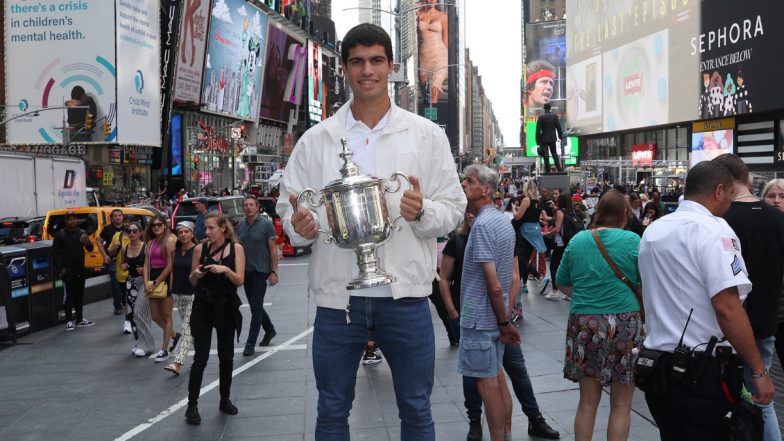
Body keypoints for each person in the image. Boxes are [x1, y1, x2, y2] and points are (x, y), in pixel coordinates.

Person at [276, 23, 466, 440]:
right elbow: (291, 210)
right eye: (358, 61)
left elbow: (453, 210)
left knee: (417, 411)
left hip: (406, 300)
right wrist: (299, 226)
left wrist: (422, 212)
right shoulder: (317, 140)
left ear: (391, 66)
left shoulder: (426, 135)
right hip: (337, 303)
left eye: (376, 60)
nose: (368, 70)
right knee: (330, 413)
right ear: (344, 68)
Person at [638, 161, 774, 440]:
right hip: (701, 372)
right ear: (719, 191)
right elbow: (727, 307)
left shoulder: (654, 230)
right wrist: (759, 370)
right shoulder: (714, 230)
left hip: (656, 368)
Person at [555, 189, 643, 441]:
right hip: (625, 322)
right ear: (625, 213)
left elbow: (561, 282)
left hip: (584, 322)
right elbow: (645, 285)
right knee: (621, 405)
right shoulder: (633, 241)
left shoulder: (578, 241)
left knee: (587, 402)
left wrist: (586, 298)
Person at [713, 154, 784, 441]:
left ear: (722, 183)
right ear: (749, 179)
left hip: (727, 324)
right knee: (761, 397)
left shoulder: (721, 220)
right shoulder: (777, 218)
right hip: (766, 322)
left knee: (722, 397)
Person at [458, 164, 520, 441]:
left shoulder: (483, 226)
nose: (463, 184)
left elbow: (494, 284)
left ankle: (497, 437)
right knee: (497, 379)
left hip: (481, 318)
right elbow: (510, 279)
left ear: (485, 189)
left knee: (488, 385)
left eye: (469, 181)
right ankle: (504, 434)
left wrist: (504, 322)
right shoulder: (501, 221)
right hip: (492, 316)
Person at [185, 213, 246, 425]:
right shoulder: (200, 249)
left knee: (226, 357)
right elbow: (192, 280)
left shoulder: (236, 248)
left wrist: (226, 269)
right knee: (200, 358)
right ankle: (192, 405)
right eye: (205, 228)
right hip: (202, 307)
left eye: (211, 228)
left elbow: (239, 280)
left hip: (226, 307)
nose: (207, 232)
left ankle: (224, 399)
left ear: (222, 228)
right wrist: (197, 275)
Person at [236, 195, 279, 356]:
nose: (248, 207)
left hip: (262, 271)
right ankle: (270, 330)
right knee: (256, 306)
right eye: (245, 205)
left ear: (257, 206)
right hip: (246, 271)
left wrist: (274, 271)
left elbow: (273, 250)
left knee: (255, 307)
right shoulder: (240, 226)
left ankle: (250, 342)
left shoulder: (266, 224)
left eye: (251, 205)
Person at [164, 221, 198, 376]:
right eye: (181, 232)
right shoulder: (175, 251)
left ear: (192, 233)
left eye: (187, 232)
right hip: (178, 293)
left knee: (186, 329)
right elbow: (172, 270)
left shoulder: (197, 250)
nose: (184, 235)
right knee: (192, 330)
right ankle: (200, 356)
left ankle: (177, 363)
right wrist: (171, 290)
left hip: (193, 294)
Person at [52, 211, 95, 331]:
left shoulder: (82, 232)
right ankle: (69, 321)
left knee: (79, 295)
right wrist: (61, 268)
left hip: (80, 268)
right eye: (69, 219)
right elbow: (54, 253)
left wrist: (87, 242)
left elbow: (90, 248)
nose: (72, 221)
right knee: (69, 296)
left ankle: (80, 319)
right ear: (66, 221)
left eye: (74, 219)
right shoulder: (60, 235)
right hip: (68, 270)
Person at [143, 215, 174, 362]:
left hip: (165, 278)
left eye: (159, 224)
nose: (156, 227)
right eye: (153, 225)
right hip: (152, 277)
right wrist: (146, 282)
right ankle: (174, 335)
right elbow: (146, 265)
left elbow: (170, 265)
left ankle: (164, 349)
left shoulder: (169, 241)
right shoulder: (149, 243)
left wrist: (155, 282)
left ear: (164, 225)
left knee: (167, 315)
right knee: (155, 316)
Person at [513, 180, 549, 294]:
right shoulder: (538, 201)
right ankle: (523, 284)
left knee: (521, 259)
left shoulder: (526, 200)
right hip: (535, 231)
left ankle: (537, 277)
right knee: (526, 258)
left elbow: (518, 217)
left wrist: (514, 208)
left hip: (525, 232)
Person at [763, 179, 784, 371]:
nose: (776, 200)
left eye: (782, 196)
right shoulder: (758, 229)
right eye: (771, 196)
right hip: (763, 315)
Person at [416, 0, 448, 104]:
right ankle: (424, 119)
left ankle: (433, 119)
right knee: (425, 94)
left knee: (434, 91)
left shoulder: (442, 16)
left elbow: (446, 42)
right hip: (423, 58)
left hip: (439, 57)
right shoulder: (417, 13)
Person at [544, 193, 573, 301]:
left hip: (560, 243)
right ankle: (568, 292)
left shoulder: (560, 212)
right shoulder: (571, 211)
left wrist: (548, 234)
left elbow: (557, 229)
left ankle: (555, 290)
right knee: (568, 267)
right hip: (569, 242)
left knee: (553, 266)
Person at [106, 216, 132, 334]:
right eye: (126, 222)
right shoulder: (118, 236)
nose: (127, 225)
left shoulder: (140, 236)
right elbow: (110, 252)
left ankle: (134, 320)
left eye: (130, 222)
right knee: (125, 298)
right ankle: (128, 321)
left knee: (134, 300)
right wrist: (115, 247)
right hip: (122, 274)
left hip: (137, 274)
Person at [97, 209, 125, 316]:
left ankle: (126, 303)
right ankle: (118, 305)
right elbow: (99, 241)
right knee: (115, 284)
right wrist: (105, 255)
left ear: (122, 217)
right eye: (115, 216)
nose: (118, 217)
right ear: (111, 218)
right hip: (113, 260)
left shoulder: (127, 228)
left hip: (126, 260)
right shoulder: (107, 229)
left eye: (119, 215)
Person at [536, 102, 563, 172]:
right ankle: (559, 168)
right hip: (552, 138)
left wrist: (537, 140)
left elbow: (538, 130)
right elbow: (559, 127)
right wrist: (560, 136)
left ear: (544, 108)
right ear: (550, 108)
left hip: (544, 139)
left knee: (545, 155)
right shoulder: (554, 116)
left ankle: (548, 170)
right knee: (554, 153)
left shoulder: (541, 117)